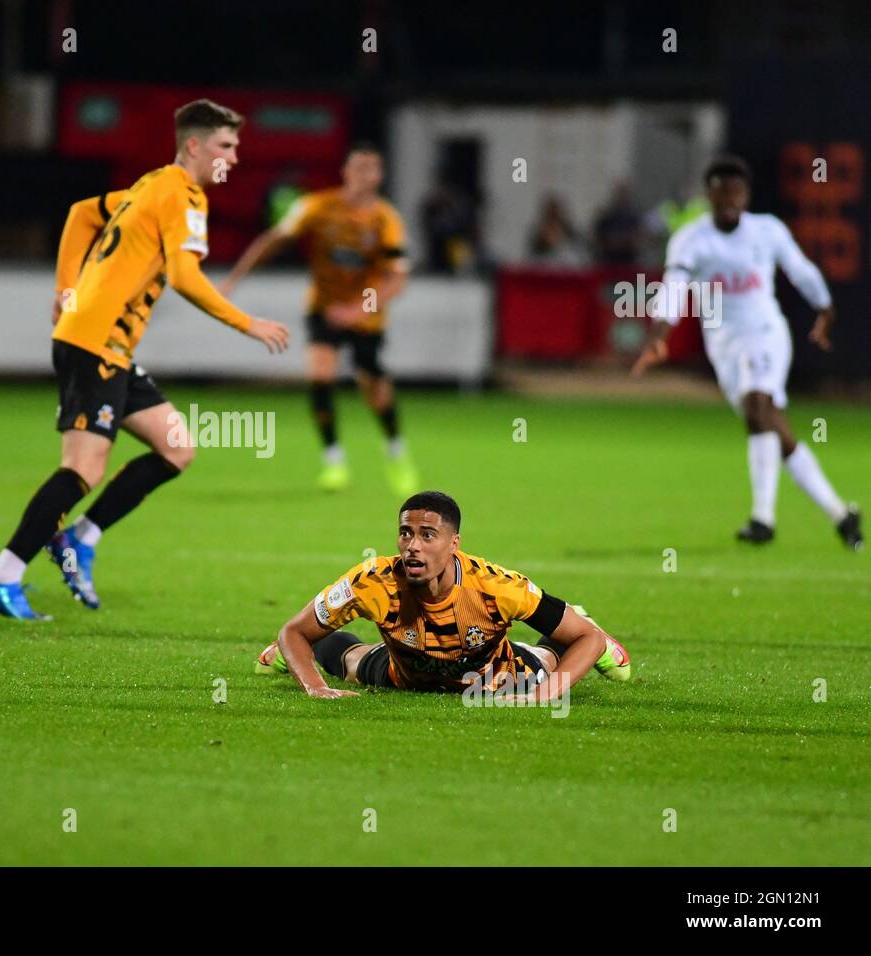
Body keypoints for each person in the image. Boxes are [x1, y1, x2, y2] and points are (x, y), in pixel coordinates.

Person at [0, 99, 290, 620]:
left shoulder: (152, 186)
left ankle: (81, 536)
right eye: (225, 146)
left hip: (108, 347)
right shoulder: (184, 194)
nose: (233, 158)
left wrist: (66, 289)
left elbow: (80, 214)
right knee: (83, 467)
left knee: (176, 447)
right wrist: (247, 323)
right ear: (194, 145)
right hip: (94, 345)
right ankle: (3, 576)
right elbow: (185, 276)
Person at [633, 155, 862, 550]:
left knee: (759, 407)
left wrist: (824, 307)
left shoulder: (766, 230)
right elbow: (674, 288)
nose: (729, 199)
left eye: (736, 191)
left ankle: (763, 519)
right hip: (724, 345)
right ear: (710, 195)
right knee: (774, 429)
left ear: (746, 194)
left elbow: (800, 269)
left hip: (766, 333)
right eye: (721, 191)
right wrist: (660, 331)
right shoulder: (691, 238)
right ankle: (841, 514)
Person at [256, 491, 631, 700]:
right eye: (405, 534)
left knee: (550, 657)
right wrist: (315, 686)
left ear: (454, 544)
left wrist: (543, 696)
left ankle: (568, 622)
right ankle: (292, 658)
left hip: (496, 676)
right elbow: (293, 630)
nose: (412, 547)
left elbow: (587, 639)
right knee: (350, 662)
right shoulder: (373, 582)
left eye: (427, 536)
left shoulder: (495, 586)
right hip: (405, 674)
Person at [221, 144, 417, 495]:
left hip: (366, 311)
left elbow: (397, 279)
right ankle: (334, 459)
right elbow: (273, 240)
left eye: (373, 169)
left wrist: (358, 310)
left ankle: (395, 449)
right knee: (320, 374)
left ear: (380, 176)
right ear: (345, 172)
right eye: (359, 167)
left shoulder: (386, 219)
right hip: (324, 306)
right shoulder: (317, 206)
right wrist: (235, 278)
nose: (365, 175)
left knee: (372, 382)